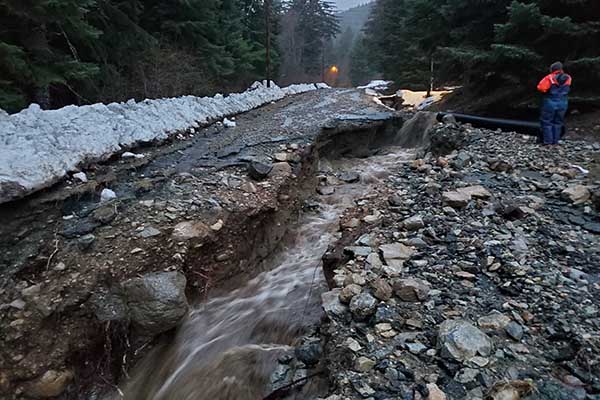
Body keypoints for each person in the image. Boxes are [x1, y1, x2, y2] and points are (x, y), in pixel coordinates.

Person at [537, 61, 572, 145]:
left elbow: (541, 88)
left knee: (547, 122)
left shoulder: (549, 77)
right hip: (563, 103)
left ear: (552, 69)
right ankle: (555, 141)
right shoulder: (568, 78)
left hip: (550, 102)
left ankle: (548, 142)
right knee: (558, 122)